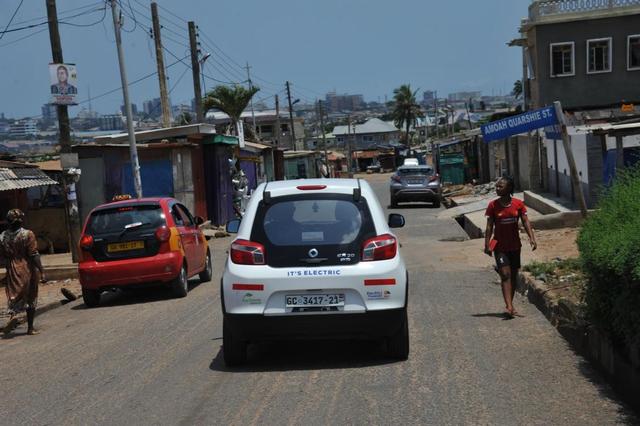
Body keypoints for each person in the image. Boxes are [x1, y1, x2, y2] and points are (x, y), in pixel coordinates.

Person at [484, 176, 536, 318]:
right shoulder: (493, 205)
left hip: (515, 245)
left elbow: (525, 221)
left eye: (500, 186)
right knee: (505, 275)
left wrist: (532, 237)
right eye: (497, 186)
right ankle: (509, 306)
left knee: (513, 276)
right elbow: (489, 226)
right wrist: (487, 244)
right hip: (499, 246)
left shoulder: (518, 204)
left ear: (509, 189)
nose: (497, 188)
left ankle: (510, 304)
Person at [0, 210, 46, 336]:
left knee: (14, 295)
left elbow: (2, 255)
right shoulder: (27, 234)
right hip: (27, 267)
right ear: (20, 220)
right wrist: (42, 271)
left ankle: (13, 317)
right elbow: (33, 254)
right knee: (31, 297)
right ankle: (30, 328)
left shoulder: (3, 236)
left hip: (12, 268)